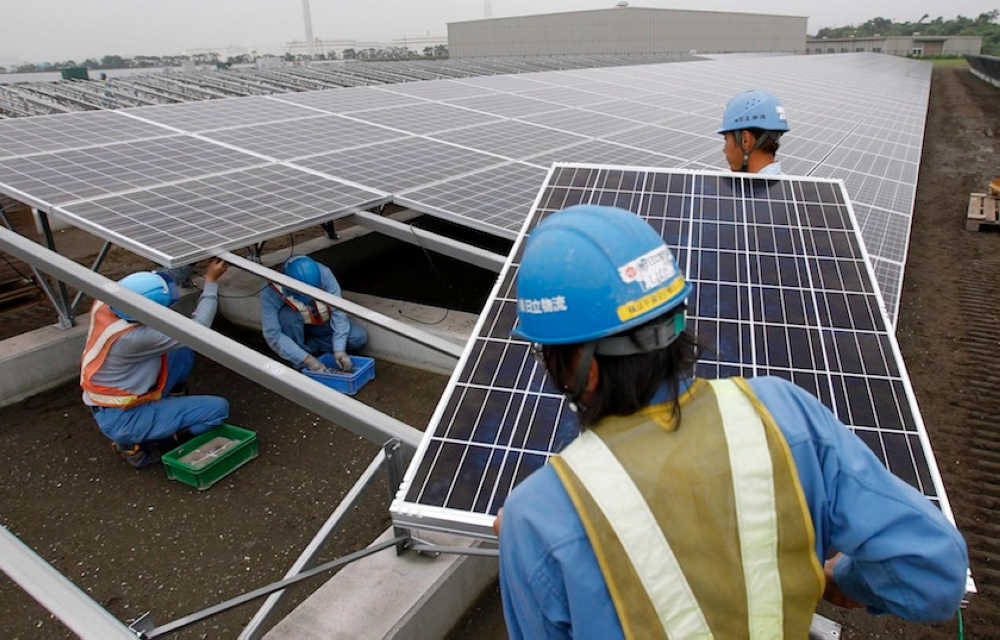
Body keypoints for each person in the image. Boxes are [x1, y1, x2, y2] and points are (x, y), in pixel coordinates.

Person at [496, 205, 967, 638]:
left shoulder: (537, 515)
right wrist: (842, 580)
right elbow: (935, 570)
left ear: (586, 366)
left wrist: (536, 540)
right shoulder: (784, 413)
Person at [82, 259, 230, 469]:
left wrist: (194, 259)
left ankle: (171, 405)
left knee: (180, 348)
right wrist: (211, 281)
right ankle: (137, 445)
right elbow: (200, 329)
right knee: (218, 410)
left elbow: (159, 279)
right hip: (125, 415)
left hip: (117, 397)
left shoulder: (108, 300)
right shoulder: (133, 338)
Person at [260, 255, 367, 374]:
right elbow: (272, 334)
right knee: (287, 316)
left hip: (323, 324)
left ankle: (310, 348)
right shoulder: (271, 289)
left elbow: (338, 311)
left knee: (357, 337)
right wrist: (306, 359)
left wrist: (339, 350)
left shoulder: (324, 275)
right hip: (296, 328)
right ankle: (301, 360)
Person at [718, 89, 789, 175]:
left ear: (745, 140)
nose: (724, 149)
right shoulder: (788, 187)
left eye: (726, 140)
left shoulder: (759, 188)